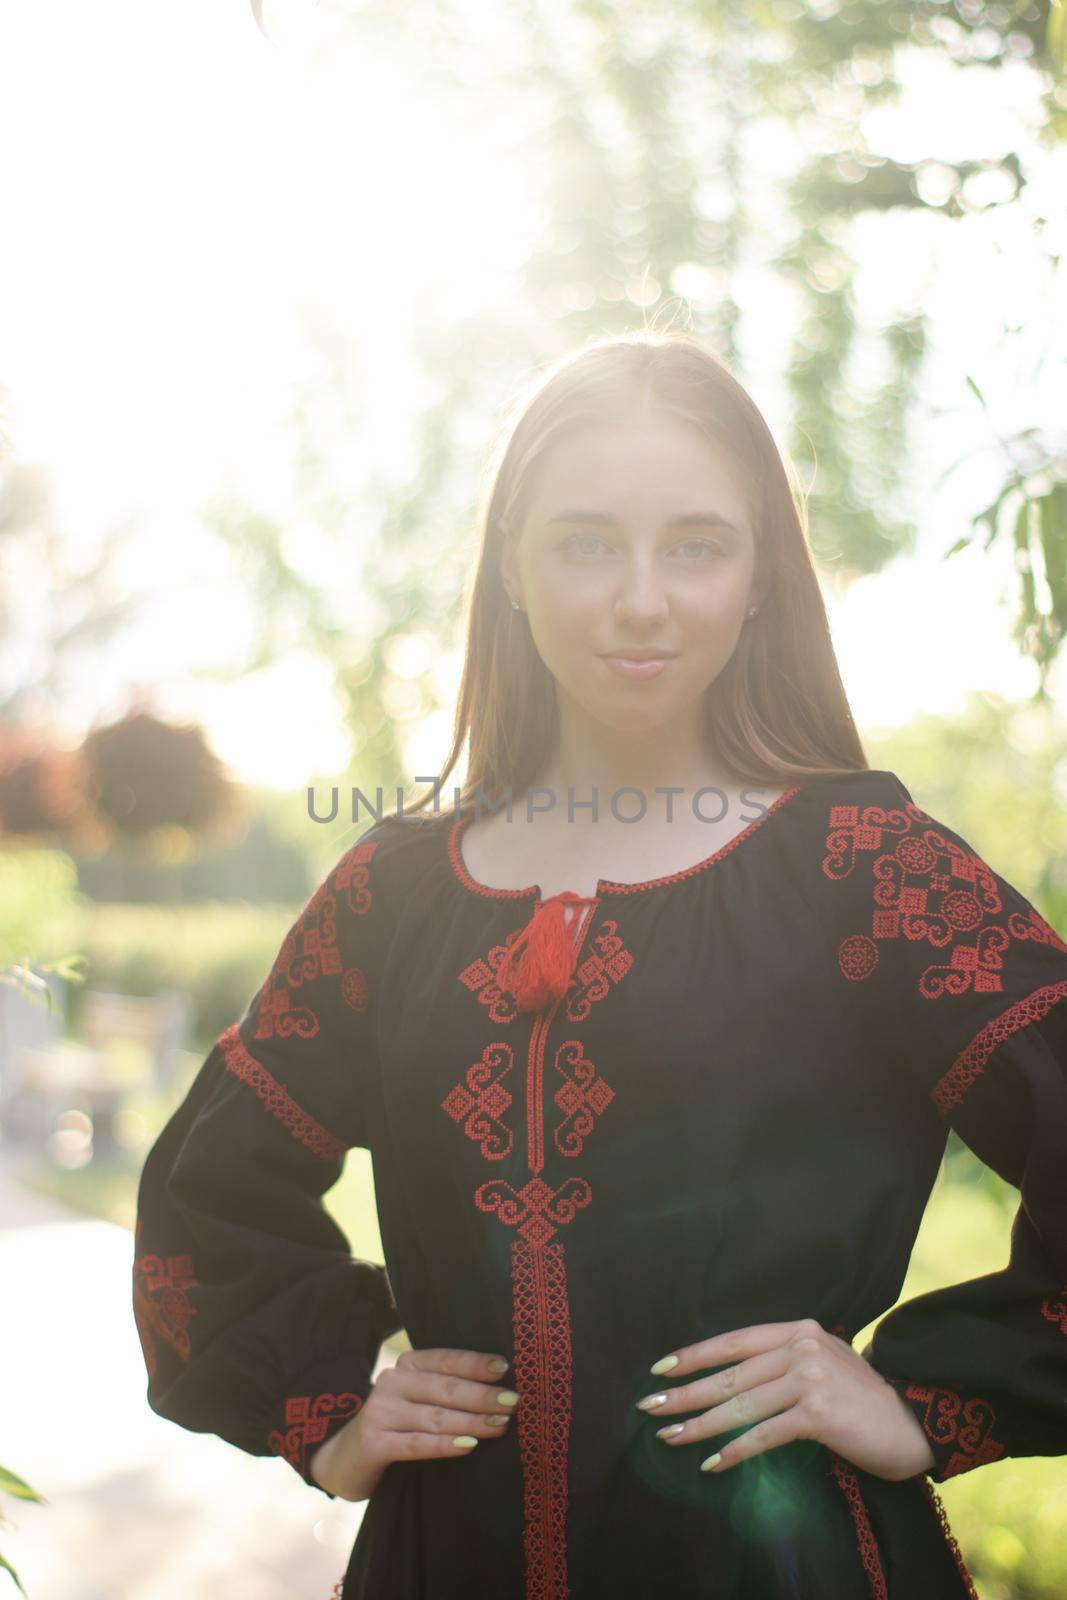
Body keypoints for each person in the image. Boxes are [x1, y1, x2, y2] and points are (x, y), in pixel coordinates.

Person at [131, 333, 1067, 1599]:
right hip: (443, 1561)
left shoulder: (864, 865)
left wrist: (923, 1396)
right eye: (583, 542)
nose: (640, 597)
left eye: (695, 543)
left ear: (759, 580)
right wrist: (335, 1410)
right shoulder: (393, 894)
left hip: (776, 1562)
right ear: (510, 565)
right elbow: (208, 1194)